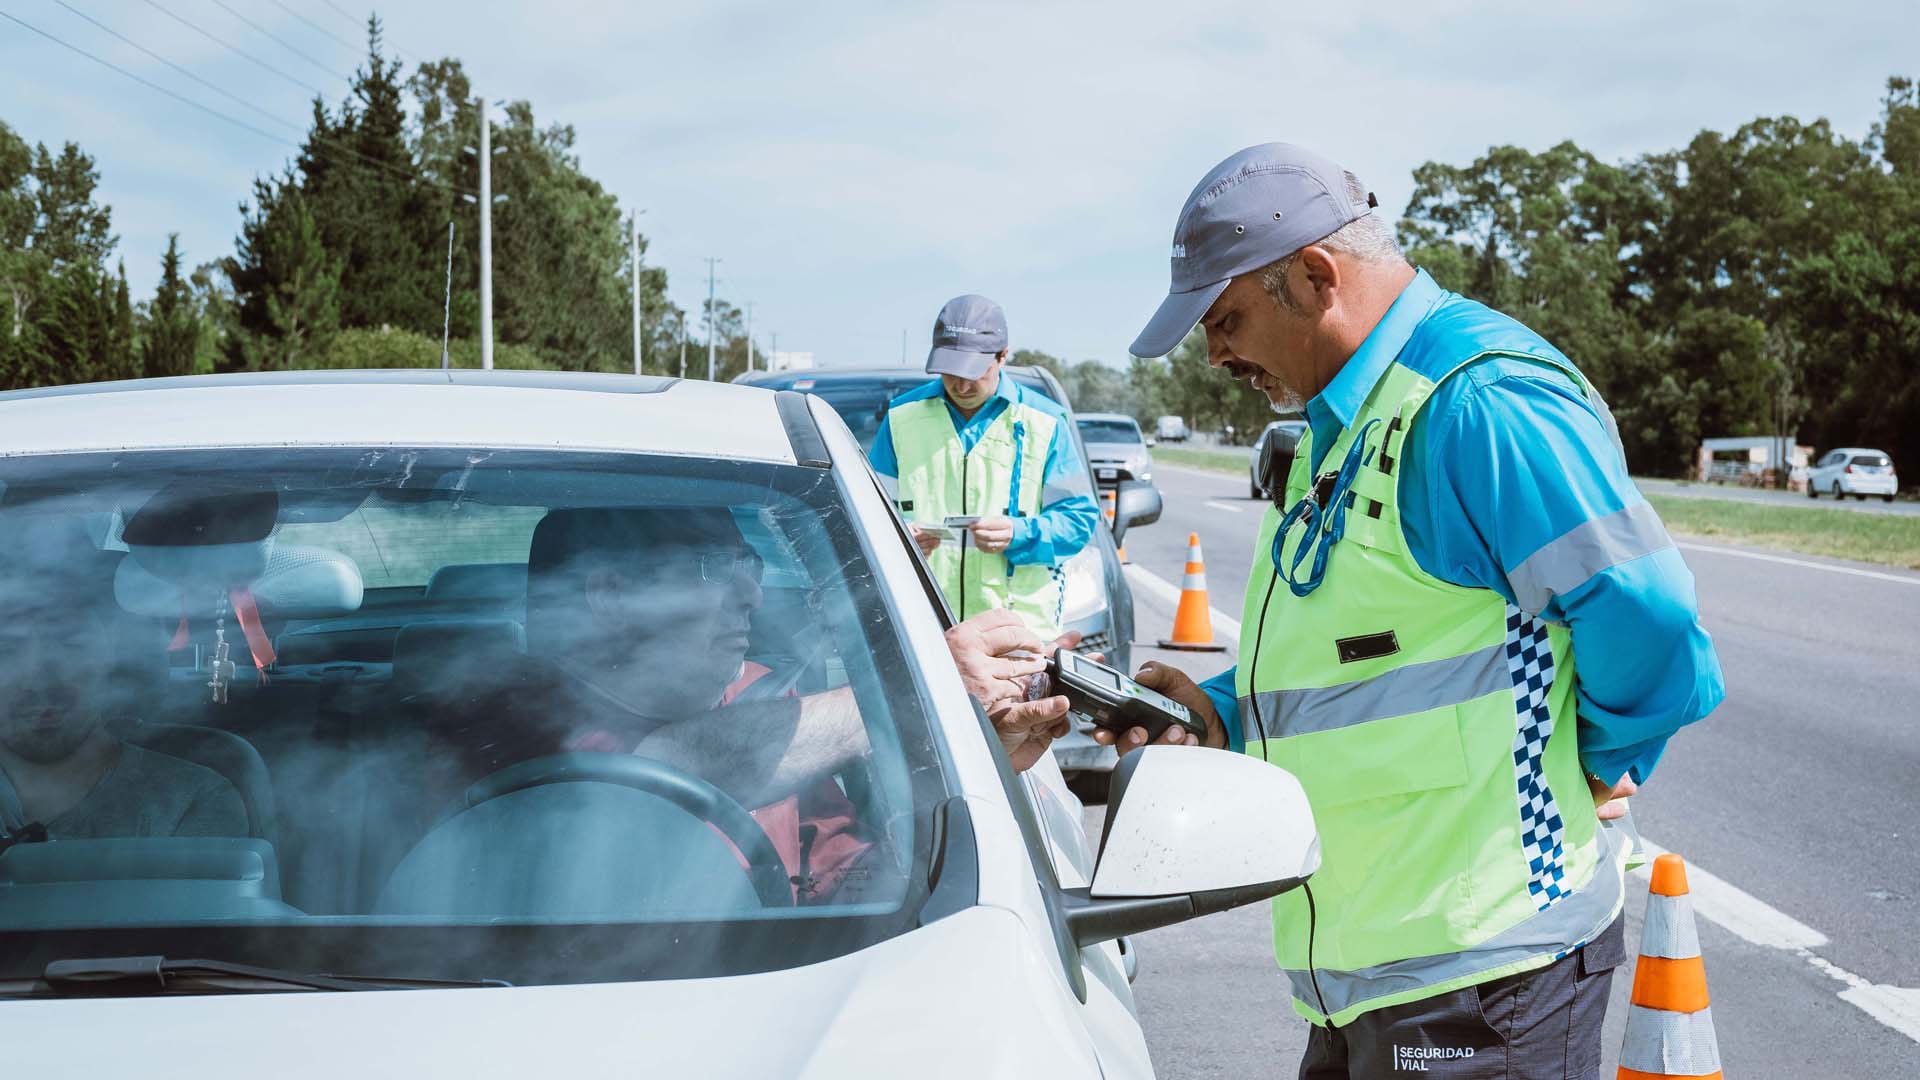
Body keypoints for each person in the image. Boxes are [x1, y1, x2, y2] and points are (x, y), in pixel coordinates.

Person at [1106, 143, 1725, 1079]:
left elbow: (1649, 615)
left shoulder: (1479, 404)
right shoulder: (1345, 418)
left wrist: (1590, 761)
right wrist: (1222, 710)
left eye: (1225, 318)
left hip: (1489, 978)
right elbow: (1379, 651)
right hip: (1371, 972)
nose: (1216, 352)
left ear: (1315, 278)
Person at [450, 507, 1083, 902]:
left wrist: (955, 764)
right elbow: (659, 772)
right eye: (711, 567)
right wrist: (919, 692)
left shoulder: (769, 705)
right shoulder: (505, 723)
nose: (752, 595)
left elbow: (850, 878)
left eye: (748, 563)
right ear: (611, 593)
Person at [870, 294, 1101, 641]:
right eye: (951, 372)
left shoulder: (1046, 422)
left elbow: (1078, 520)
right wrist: (902, 536)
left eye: (974, 372)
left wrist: (1019, 533)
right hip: (921, 628)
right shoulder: (901, 418)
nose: (961, 385)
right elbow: (870, 515)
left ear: (1003, 355)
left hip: (1017, 635)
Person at [0, 562, 248, 844]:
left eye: (70, 643)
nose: (38, 678)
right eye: (6, 648)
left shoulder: (189, 800)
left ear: (112, 656)